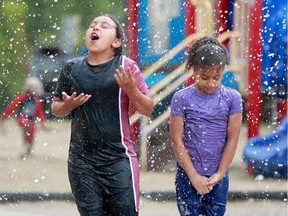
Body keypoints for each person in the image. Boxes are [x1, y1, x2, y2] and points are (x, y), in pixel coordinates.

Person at [51, 14, 153, 216]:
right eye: (92, 25)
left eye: (104, 26)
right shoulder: (71, 68)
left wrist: (131, 90)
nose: (95, 28)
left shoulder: (126, 66)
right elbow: (56, 108)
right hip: (81, 161)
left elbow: (147, 109)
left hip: (118, 158)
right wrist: (67, 106)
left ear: (116, 41)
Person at [170, 36, 243, 216]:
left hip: (217, 176)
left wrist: (219, 173)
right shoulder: (181, 98)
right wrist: (194, 176)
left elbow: (233, 138)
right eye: (204, 77)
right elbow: (177, 140)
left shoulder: (232, 98)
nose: (211, 83)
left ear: (224, 71)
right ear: (194, 70)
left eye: (217, 78)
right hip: (187, 175)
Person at [0, 77, 48, 158]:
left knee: (31, 135)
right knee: (26, 125)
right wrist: (4, 118)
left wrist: (43, 122)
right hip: (22, 118)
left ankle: (28, 150)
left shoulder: (36, 101)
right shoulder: (22, 98)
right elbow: (11, 108)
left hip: (31, 120)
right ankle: (26, 145)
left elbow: (40, 113)